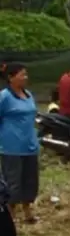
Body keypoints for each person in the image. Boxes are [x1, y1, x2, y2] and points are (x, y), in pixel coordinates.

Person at [0, 64, 40, 224]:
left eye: (26, 74)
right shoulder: (4, 97)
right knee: (13, 183)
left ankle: (28, 212)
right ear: (11, 77)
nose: (25, 77)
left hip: (30, 145)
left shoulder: (28, 95)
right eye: (22, 75)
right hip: (11, 147)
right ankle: (10, 215)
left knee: (30, 181)